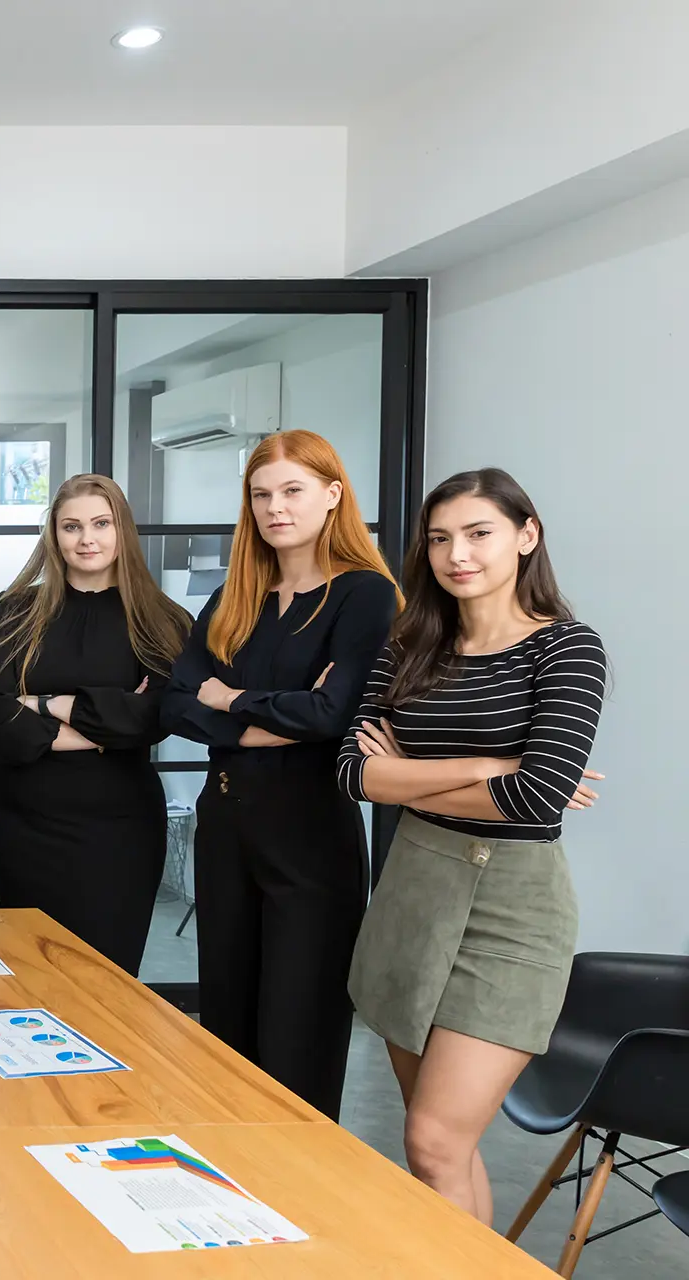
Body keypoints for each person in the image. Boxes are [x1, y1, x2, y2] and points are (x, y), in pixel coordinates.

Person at [339, 470, 606, 1223]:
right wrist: (485, 766)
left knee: (433, 1139)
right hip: (414, 888)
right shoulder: (410, 645)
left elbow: (536, 797)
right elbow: (354, 775)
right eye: (440, 538)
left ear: (527, 535)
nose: (458, 554)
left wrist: (406, 777)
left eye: (479, 533)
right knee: (440, 1154)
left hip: (514, 908)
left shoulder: (568, 650)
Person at [161, 429, 399, 1120]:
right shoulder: (236, 596)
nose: (275, 507)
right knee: (227, 1029)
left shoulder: (364, 596)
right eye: (261, 494)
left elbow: (332, 714)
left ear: (331, 495)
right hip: (227, 828)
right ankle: (232, 1192)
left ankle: (300, 1202)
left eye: (292, 490)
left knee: (299, 1034)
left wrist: (229, 698)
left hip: (310, 838)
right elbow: (177, 702)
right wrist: (276, 719)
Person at [0, 475, 193, 973]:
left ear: (122, 530)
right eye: (71, 526)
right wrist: (105, 724)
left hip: (120, 829)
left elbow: (155, 718)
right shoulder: (15, 611)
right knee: (27, 982)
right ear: (54, 533)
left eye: (100, 524)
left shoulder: (162, 619)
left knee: (108, 982)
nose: (86, 539)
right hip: (23, 825)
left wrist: (44, 703)